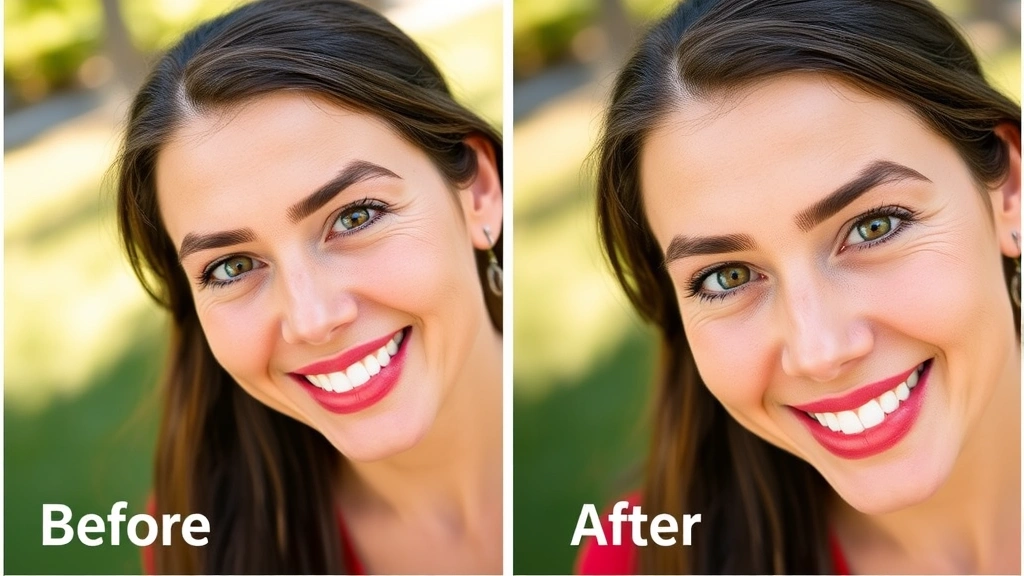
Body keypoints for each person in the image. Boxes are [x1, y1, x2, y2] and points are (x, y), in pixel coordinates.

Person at [580, 0, 1021, 573]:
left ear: (1010, 190)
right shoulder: (638, 556)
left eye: (873, 226)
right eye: (727, 277)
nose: (820, 352)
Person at [114, 0, 503, 573]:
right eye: (232, 267)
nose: (313, 318)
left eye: (355, 217)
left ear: (479, 192)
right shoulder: (201, 546)